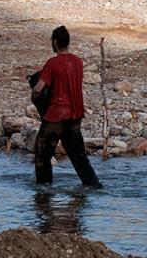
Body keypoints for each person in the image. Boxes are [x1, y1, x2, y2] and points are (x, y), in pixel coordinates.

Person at [30, 26, 101, 188]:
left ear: (55, 42)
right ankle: (93, 186)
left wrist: (35, 99)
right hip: (75, 116)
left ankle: (44, 191)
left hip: (56, 116)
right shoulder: (78, 62)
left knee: (42, 154)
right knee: (79, 157)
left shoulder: (52, 63)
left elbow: (38, 89)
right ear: (67, 42)